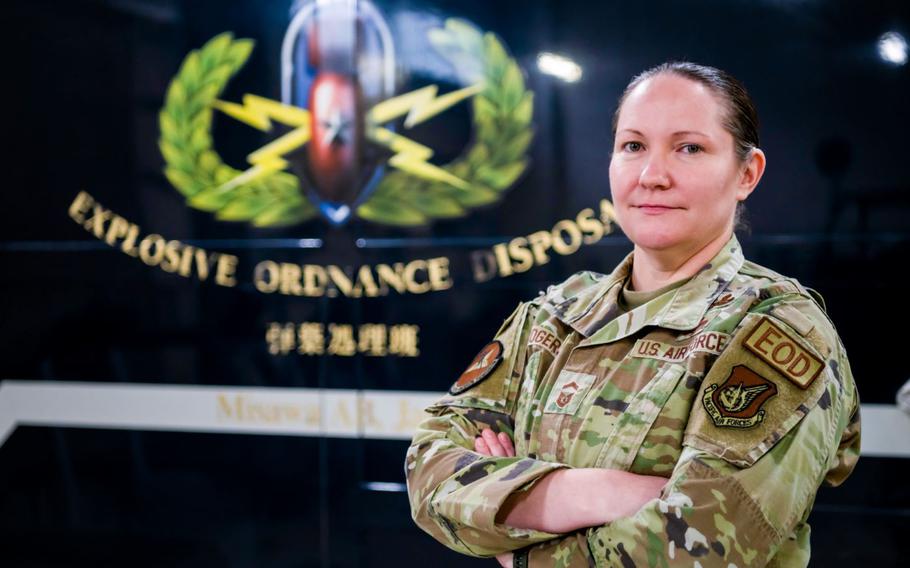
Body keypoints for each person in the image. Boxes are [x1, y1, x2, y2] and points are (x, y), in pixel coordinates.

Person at [404, 61, 861, 567]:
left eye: (689, 148)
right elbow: (428, 469)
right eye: (633, 146)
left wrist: (515, 536)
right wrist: (591, 492)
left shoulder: (775, 330)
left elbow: (699, 546)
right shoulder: (553, 316)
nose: (652, 176)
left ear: (746, 174)